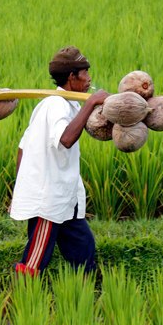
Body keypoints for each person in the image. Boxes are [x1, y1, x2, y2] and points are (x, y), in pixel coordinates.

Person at [10, 46, 109, 276]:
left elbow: (22, 147)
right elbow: (65, 139)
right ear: (72, 77)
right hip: (49, 201)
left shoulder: (65, 104)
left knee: (83, 249)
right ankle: (19, 301)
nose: (89, 78)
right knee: (35, 260)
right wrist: (91, 104)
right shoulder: (55, 105)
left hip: (66, 199)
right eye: (85, 73)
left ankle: (86, 297)